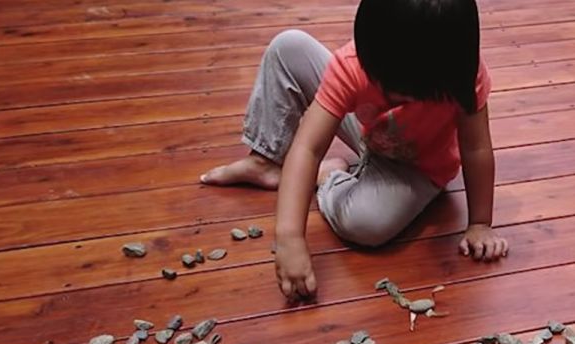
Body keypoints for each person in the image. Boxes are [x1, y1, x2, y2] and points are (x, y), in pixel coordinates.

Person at [199, 0, 508, 302]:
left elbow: (476, 148)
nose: (394, 98)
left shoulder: (460, 73)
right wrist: (289, 237)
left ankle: (329, 178)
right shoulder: (355, 64)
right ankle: (264, 160)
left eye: (406, 94)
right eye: (385, 86)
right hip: (368, 131)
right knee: (288, 46)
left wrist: (480, 223)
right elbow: (308, 146)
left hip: (415, 167)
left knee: (366, 225)